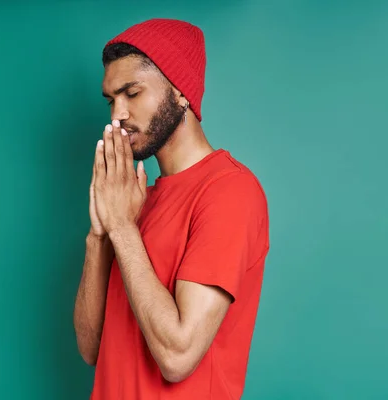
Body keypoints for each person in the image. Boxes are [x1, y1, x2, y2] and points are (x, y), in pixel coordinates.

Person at [73, 18, 270, 399]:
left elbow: (178, 356)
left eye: (132, 92)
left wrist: (122, 229)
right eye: (111, 99)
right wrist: (100, 234)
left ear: (181, 91)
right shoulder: (132, 201)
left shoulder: (230, 191)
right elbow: (89, 347)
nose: (117, 115)